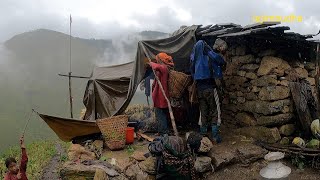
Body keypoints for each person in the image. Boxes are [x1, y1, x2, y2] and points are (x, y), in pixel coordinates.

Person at [190, 40, 226, 143]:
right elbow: (221, 61)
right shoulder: (209, 55)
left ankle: (203, 135)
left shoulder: (194, 57)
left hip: (199, 89)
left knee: (203, 111)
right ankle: (215, 136)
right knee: (215, 111)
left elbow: (192, 70)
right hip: (210, 87)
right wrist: (210, 51)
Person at [149, 52, 174, 135]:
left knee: (161, 115)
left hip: (161, 96)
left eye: (158, 60)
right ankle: (161, 131)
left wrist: (150, 62)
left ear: (161, 60)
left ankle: (164, 132)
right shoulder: (164, 68)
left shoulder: (164, 68)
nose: (157, 61)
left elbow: (156, 66)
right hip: (159, 96)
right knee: (159, 114)